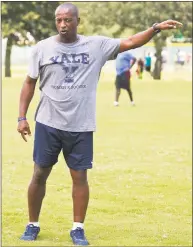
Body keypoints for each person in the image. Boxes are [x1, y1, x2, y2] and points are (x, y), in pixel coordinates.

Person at [17, 2, 182, 245]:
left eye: (68, 20)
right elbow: (29, 82)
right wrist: (22, 117)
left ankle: (78, 228)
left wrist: (155, 28)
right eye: (59, 20)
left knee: (80, 177)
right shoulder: (42, 48)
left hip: (81, 125)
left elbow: (131, 42)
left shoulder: (96, 45)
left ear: (78, 21)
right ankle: (32, 225)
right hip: (48, 123)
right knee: (39, 174)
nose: (63, 25)